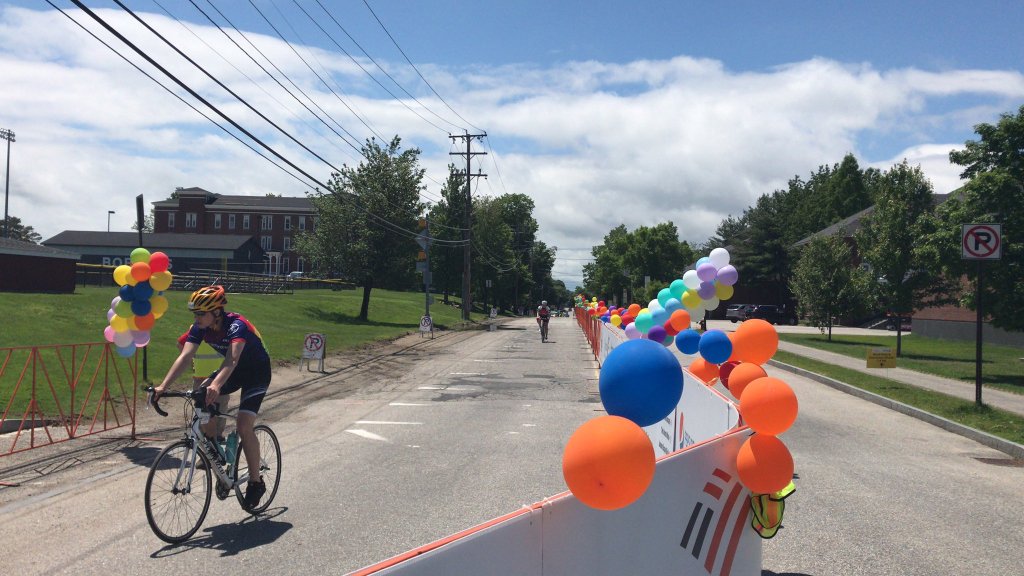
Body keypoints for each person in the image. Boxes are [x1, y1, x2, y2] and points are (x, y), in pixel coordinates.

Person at [153, 285, 272, 510]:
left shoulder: (237, 326)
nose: (196, 318)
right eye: (195, 314)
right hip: (234, 371)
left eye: (201, 314)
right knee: (200, 398)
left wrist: (216, 385)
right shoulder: (199, 328)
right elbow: (185, 356)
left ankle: (256, 483)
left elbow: (232, 360)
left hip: (256, 372)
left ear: (216, 312)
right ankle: (218, 458)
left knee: (244, 425)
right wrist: (162, 386)